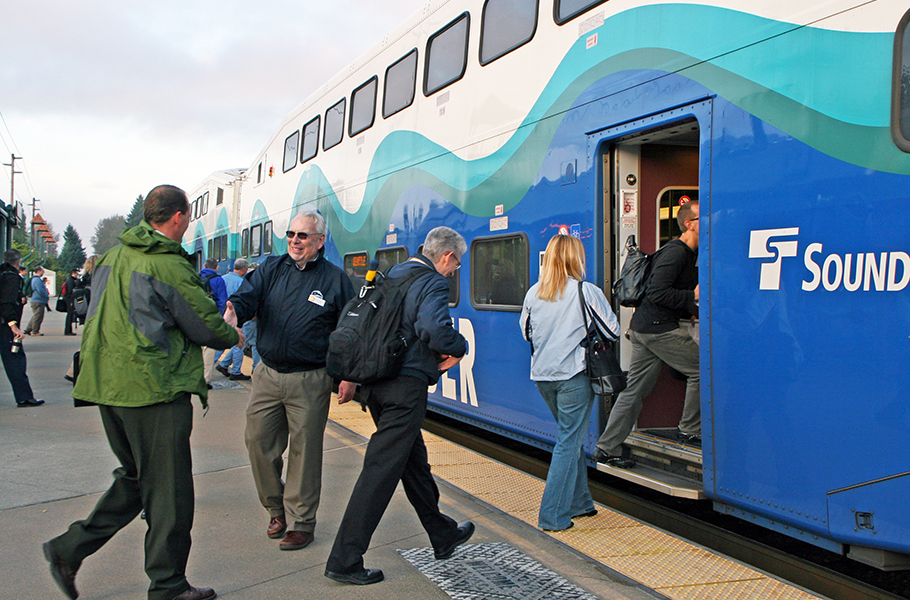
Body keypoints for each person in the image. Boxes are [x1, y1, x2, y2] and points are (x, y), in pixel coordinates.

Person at [42, 185, 242, 600]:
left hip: (107, 385)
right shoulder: (167, 264)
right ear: (179, 217)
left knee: (136, 478)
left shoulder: (112, 256)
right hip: (153, 389)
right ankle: (168, 585)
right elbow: (205, 327)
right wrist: (232, 333)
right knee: (169, 492)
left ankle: (68, 549)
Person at [325, 226, 474, 586]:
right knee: (380, 471)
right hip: (404, 388)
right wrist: (459, 347)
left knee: (413, 461)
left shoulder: (392, 275)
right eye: (456, 266)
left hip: (376, 385)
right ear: (448, 257)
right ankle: (345, 559)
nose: (454, 272)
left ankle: (442, 533)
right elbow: (434, 329)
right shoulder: (432, 282)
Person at [223, 210, 356, 551]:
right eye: (291, 235)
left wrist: (348, 376)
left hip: (310, 379)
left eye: (303, 236)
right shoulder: (270, 269)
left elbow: (347, 333)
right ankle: (275, 508)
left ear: (320, 241)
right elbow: (247, 297)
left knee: (305, 453)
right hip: (267, 374)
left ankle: (302, 522)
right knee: (257, 442)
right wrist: (234, 310)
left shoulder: (335, 280)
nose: (295, 241)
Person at [519, 234, 619, 532]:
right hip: (574, 377)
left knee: (569, 438)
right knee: (568, 442)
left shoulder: (534, 293)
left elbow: (526, 333)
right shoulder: (586, 292)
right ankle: (553, 516)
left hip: (543, 377)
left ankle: (580, 502)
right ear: (576, 259)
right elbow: (611, 330)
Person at [594, 200, 700, 467]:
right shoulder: (677, 253)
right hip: (657, 329)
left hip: (645, 329)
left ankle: (607, 447)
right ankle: (690, 429)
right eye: (705, 218)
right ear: (690, 224)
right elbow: (657, 293)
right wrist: (692, 297)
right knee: (703, 370)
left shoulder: (687, 254)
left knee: (634, 391)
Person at [0, 249, 44, 407]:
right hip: (5, 326)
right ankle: (24, 397)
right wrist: (14, 325)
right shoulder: (11, 277)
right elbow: (5, 302)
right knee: (15, 359)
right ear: (18, 263)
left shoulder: (2, 273)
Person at [215, 258, 251, 380]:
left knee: (221, 342)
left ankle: (218, 364)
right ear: (244, 269)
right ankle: (235, 371)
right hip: (237, 317)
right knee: (239, 343)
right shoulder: (242, 283)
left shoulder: (222, 279)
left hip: (222, 316)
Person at [199, 258, 228, 384]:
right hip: (211, 318)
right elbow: (222, 302)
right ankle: (205, 379)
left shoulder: (195, 277)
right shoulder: (218, 280)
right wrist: (220, 318)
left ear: (204, 265)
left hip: (195, 317)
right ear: (216, 268)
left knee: (197, 348)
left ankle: (195, 376)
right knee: (209, 350)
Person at [23, 266, 48, 336]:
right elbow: (40, 290)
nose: (43, 272)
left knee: (36, 315)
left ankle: (28, 329)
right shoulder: (37, 280)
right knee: (38, 317)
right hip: (38, 300)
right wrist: (46, 296)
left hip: (36, 300)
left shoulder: (35, 279)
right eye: (42, 271)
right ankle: (35, 331)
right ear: (38, 271)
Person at [63, 268, 80, 335]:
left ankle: (68, 330)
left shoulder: (70, 280)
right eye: (76, 273)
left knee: (70, 315)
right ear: (73, 273)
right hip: (69, 299)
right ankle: (68, 331)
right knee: (70, 315)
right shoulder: (70, 281)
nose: (77, 275)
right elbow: (70, 291)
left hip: (68, 299)